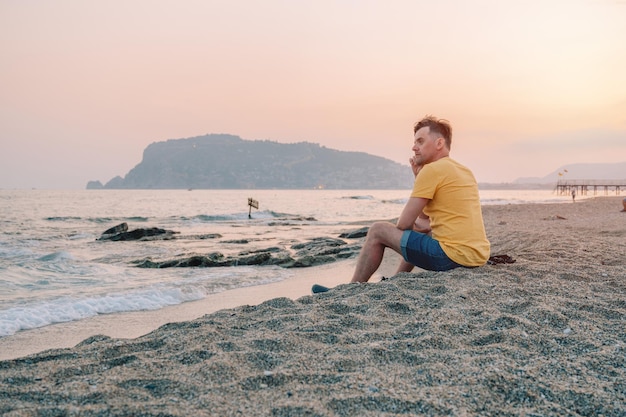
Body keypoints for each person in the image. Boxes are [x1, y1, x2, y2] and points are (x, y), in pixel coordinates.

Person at [350, 116, 490, 283]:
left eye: (420, 141)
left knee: (377, 230)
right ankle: (399, 279)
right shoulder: (463, 170)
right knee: (423, 231)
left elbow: (403, 224)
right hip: (477, 256)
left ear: (439, 143)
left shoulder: (432, 170)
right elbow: (425, 219)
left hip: (452, 258)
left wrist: (411, 228)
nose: (414, 148)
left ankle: (353, 286)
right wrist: (418, 179)